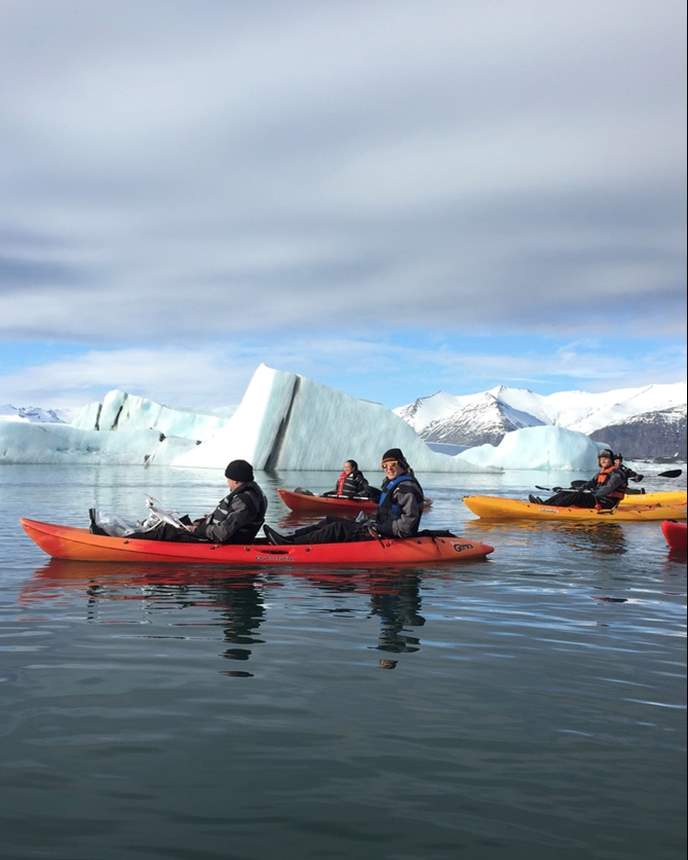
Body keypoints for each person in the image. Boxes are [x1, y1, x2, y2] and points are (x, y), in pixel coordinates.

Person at [263, 448, 424, 544]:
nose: (388, 469)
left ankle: (292, 544)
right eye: (385, 466)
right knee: (330, 520)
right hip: (380, 528)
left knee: (337, 528)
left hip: (386, 534)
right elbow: (388, 511)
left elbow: (406, 526)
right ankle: (290, 538)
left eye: (393, 465)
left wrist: (378, 527)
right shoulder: (394, 484)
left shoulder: (406, 488)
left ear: (401, 464)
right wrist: (372, 520)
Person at [91, 459, 267, 543]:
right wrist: (201, 524)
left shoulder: (244, 501)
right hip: (217, 536)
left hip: (223, 543)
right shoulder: (247, 496)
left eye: (228, 479)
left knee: (166, 532)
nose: (227, 482)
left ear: (236, 480)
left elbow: (223, 533)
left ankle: (114, 539)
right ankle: (123, 530)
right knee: (178, 523)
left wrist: (199, 529)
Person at [529, 449, 628, 509]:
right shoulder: (601, 472)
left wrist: (590, 492)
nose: (603, 460)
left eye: (606, 458)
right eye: (601, 458)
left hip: (606, 503)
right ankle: (545, 505)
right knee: (568, 491)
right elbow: (590, 483)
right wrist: (579, 488)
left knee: (577, 496)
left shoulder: (616, 474)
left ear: (611, 461)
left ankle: (550, 509)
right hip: (598, 498)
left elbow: (607, 489)